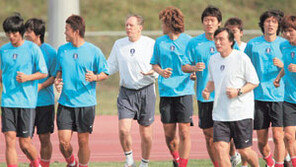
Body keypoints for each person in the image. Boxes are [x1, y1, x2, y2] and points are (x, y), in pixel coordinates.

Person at [181, 6, 241, 167]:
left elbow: (236, 63)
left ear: (219, 23)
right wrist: (194, 69)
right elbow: (184, 66)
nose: (209, 23)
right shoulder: (194, 43)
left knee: (224, 135)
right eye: (206, 20)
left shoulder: (226, 41)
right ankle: (218, 163)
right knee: (208, 135)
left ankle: (230, 157)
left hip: (224, 95)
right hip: (205, 96)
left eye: (212, 20)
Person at [54, 15, 109, 167]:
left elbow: (105, 72)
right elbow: (58, 72)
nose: (64, 32)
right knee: (63, 141)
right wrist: (57, 82)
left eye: (67, 30)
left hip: (86, 104)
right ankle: (72, 163)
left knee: (83, 141)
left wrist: (95, 77)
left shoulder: (94, 51)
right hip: (65, 102)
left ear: (76, 31)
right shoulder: (62, 50)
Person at [202, 27, 260, 167]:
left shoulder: (241, 58)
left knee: (244, 151)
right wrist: (207, 90)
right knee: (221, 149)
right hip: (220, 114)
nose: (217, 42)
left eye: (221, 39)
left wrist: (238, 91)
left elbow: (254, 82)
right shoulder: (213, 60)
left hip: (240, 113)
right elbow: (212, 81)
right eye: (216, 39)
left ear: (231, 42)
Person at [107, 14, 156, 167]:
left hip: (146, 91)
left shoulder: (150, 44)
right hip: (126, 93)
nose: (128, 28)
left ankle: (144, 163)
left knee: (146, 135)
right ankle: (129, 160)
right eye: (126, 25)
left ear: (140, 28)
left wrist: (152, 73)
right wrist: (96, 75)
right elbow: (110, 66)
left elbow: (158, 67)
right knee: (123, 130)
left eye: (131, 25)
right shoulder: (119, 44)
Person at [0, 13, 48, 167]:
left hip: (26, 102)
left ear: (20, 32)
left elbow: (44, 72)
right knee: (9, 140)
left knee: (25, 144)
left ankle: (36, 163)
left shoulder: (33, 49)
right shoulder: (3, 50)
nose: (11, 36)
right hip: (8, 101)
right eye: (8, 33)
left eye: (14, 33)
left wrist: (28, 78)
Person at [150, 6, 194, 167]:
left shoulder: (188, 41)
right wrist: (161, 71)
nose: (161, 25)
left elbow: (194, 65)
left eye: (163, 22)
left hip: (184, 92)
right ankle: (176, 158)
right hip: (166, 93)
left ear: (170, 23)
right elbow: (154, 64)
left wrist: (194, 74)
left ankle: (183, 164)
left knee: (184, 131)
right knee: (169, 135)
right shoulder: (160, 42)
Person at [244, 9, 286, 167]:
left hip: (279, 97)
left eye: (274, 21)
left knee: (278, 136)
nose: (270, 24)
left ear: (278, 25)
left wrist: (283, 66)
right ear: (263, 24)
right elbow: (244, 67)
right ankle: (270, 162)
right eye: (268, 21)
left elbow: (292, 69)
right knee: (261, 141)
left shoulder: (285, 44)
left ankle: (280, 164)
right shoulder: (253, 44)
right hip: (258, 97)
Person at [24, 18, 57, 167]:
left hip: (45, 102)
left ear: (38, 34)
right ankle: (35, 162)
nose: (25, 34)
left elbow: (54, 75)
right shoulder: (23, 50)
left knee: (44, 138)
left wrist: (40, 86)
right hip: (25, 102)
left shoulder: (50, 52)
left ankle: (44, 165)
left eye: (28, 31)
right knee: (24, 140)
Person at [274, 15, 296, 167]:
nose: (287, 35)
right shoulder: (284, 46)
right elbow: (286, 66)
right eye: (285, 31)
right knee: (288, 136)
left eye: (290, 31)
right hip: (289, 99)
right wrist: (279, 76)